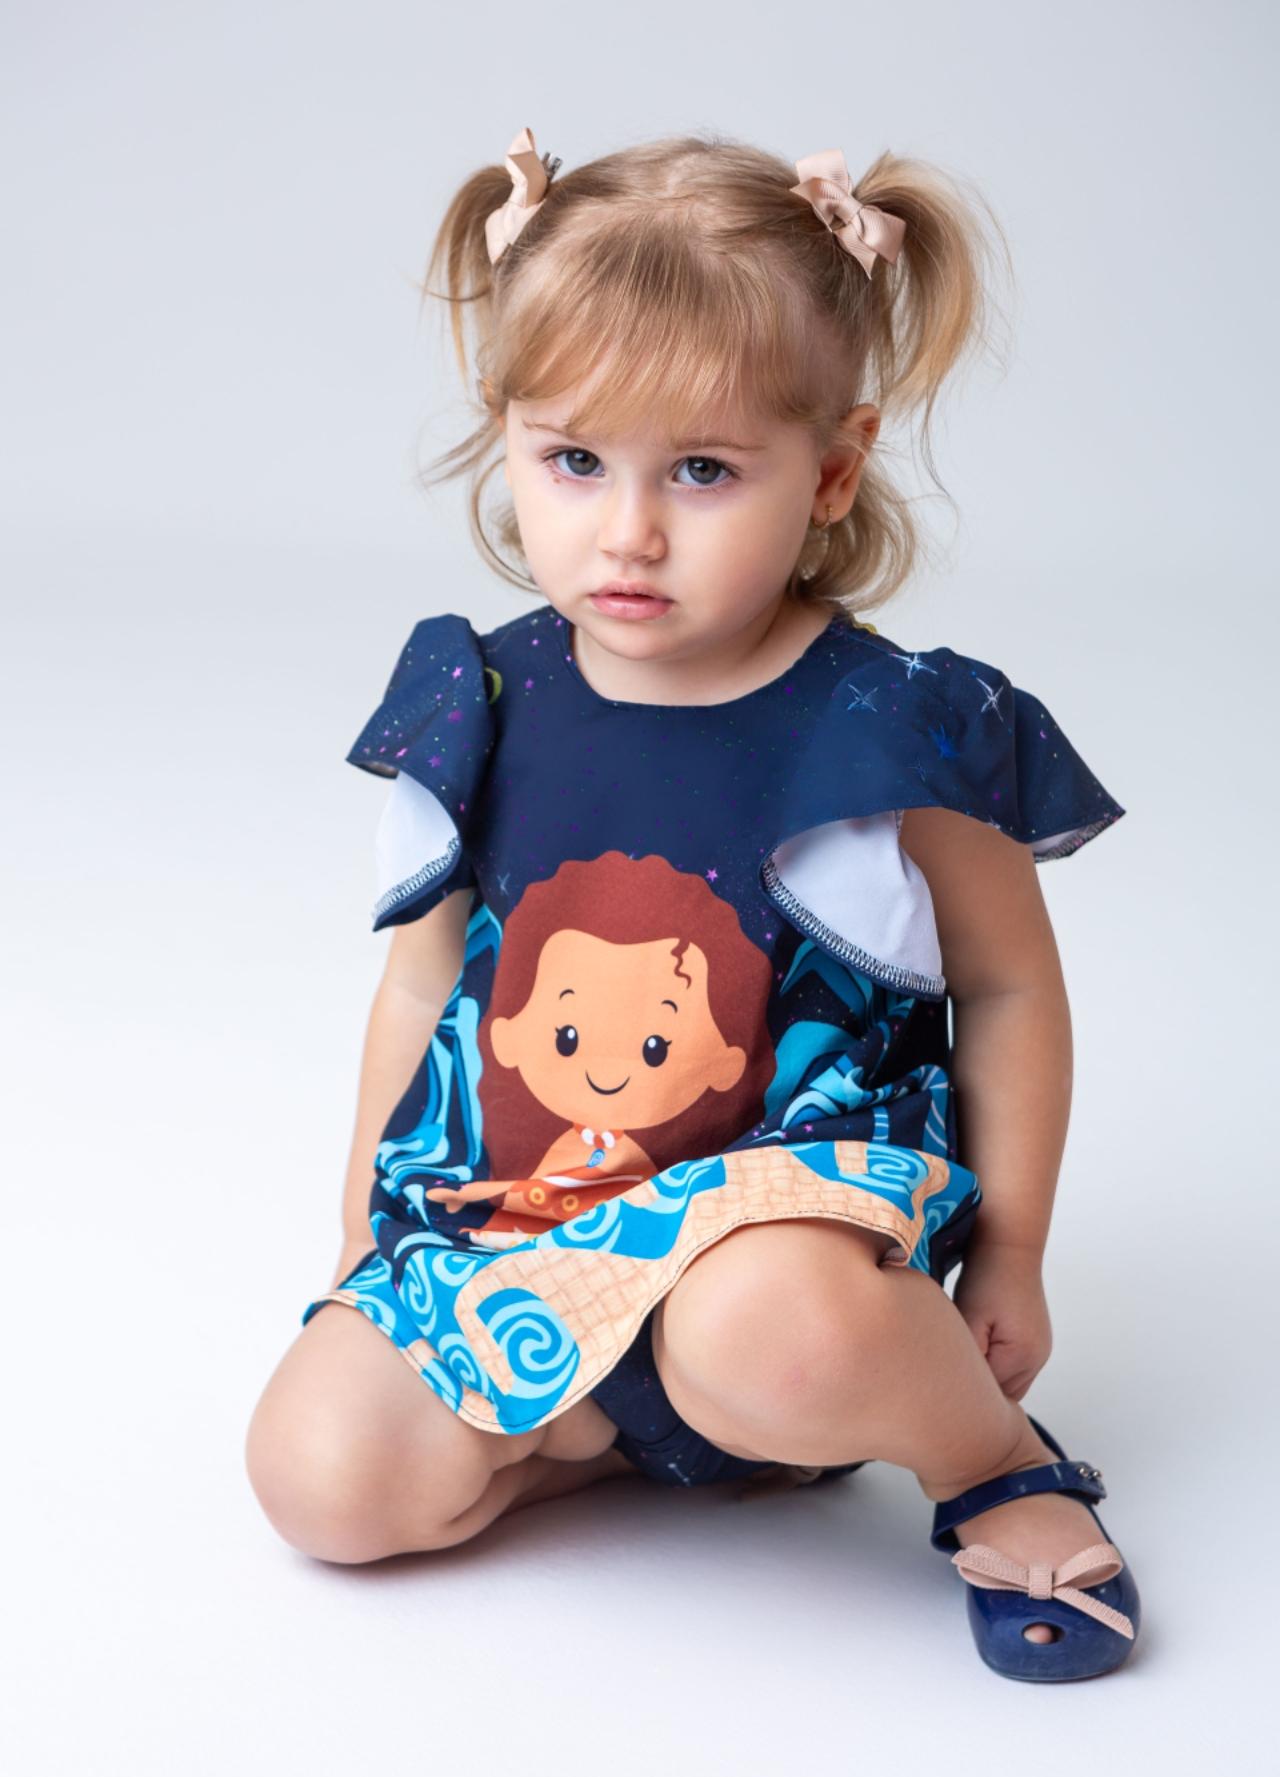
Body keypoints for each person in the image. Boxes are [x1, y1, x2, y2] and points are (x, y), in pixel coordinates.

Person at [245, 128, 1140, 1682]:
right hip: (529, 1224)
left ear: (834, 469)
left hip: (784, 1248)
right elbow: (421, 989)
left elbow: (1007, 987)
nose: (630, 531)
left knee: (763, 1332)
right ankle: (614, 1432)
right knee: (317, 1477)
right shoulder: (486, 701)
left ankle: (989, 1458)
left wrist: (1012, 1252)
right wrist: (358, 1246)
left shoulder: (887, 728)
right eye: (575, 460)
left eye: (704, 471)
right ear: (507, 434)